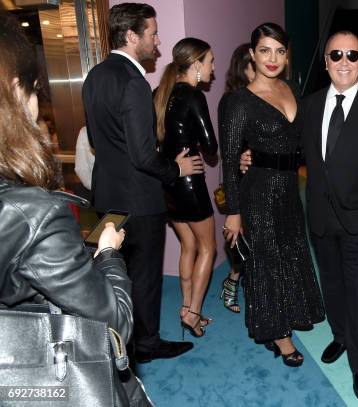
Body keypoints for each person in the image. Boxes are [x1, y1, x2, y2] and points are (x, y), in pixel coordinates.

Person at [241, 30, 358, 400]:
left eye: (352, 55)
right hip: (319, 218)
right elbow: (285, 146)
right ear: (326, 61)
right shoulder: (309, 105)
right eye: (336, 55)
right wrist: (248, 156)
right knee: (331, 285)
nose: (343, 62)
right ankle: (340, 337)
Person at [0, 8, 132, 386]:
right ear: (14, 91)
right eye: (34, 90)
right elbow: (116, 325)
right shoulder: (35, 214)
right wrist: (108, 253)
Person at [82, 3, 202, 364]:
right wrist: (177, 170)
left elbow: (100, 142)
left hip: (106, 195)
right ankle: (145, 346)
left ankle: (120, 342)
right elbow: (142, 156)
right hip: (140, 201)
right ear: (132, 36)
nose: (158, 41)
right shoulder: (133, 81)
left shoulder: (95, 77)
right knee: (144, 277)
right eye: (152, 33)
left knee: (113, 273)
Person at [220, 23, 325, 367]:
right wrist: (233, 211)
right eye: (265, 50)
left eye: (280, 51)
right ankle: (280, 336)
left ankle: (283, 317)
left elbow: (303, 143)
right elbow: (230, 160)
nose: (272, 58)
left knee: (290, 254)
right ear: (252, 54)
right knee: (266, 259)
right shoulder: (238, 102)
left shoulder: (291, 88)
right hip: (259, 193)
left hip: (291, 190)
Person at [153, 37, 218, 338]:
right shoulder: (193, 95)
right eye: (210, 61)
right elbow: (211, 146)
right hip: (190, 183)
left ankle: (186, 309)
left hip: (167, 185)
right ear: (195, 64)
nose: (213, 68)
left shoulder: (160, 93)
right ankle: (193, 313)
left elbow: (149, 144)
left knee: (188, 246)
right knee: (208, 247)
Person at [218, 43, 255, 314]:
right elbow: (228, 150)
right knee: (244, 241)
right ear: (245, 68)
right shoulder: (232, 101)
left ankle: (247, 289)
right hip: (243, 180)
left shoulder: (269, 95)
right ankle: (232, 281)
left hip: (266, 180)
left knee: (259, 244)